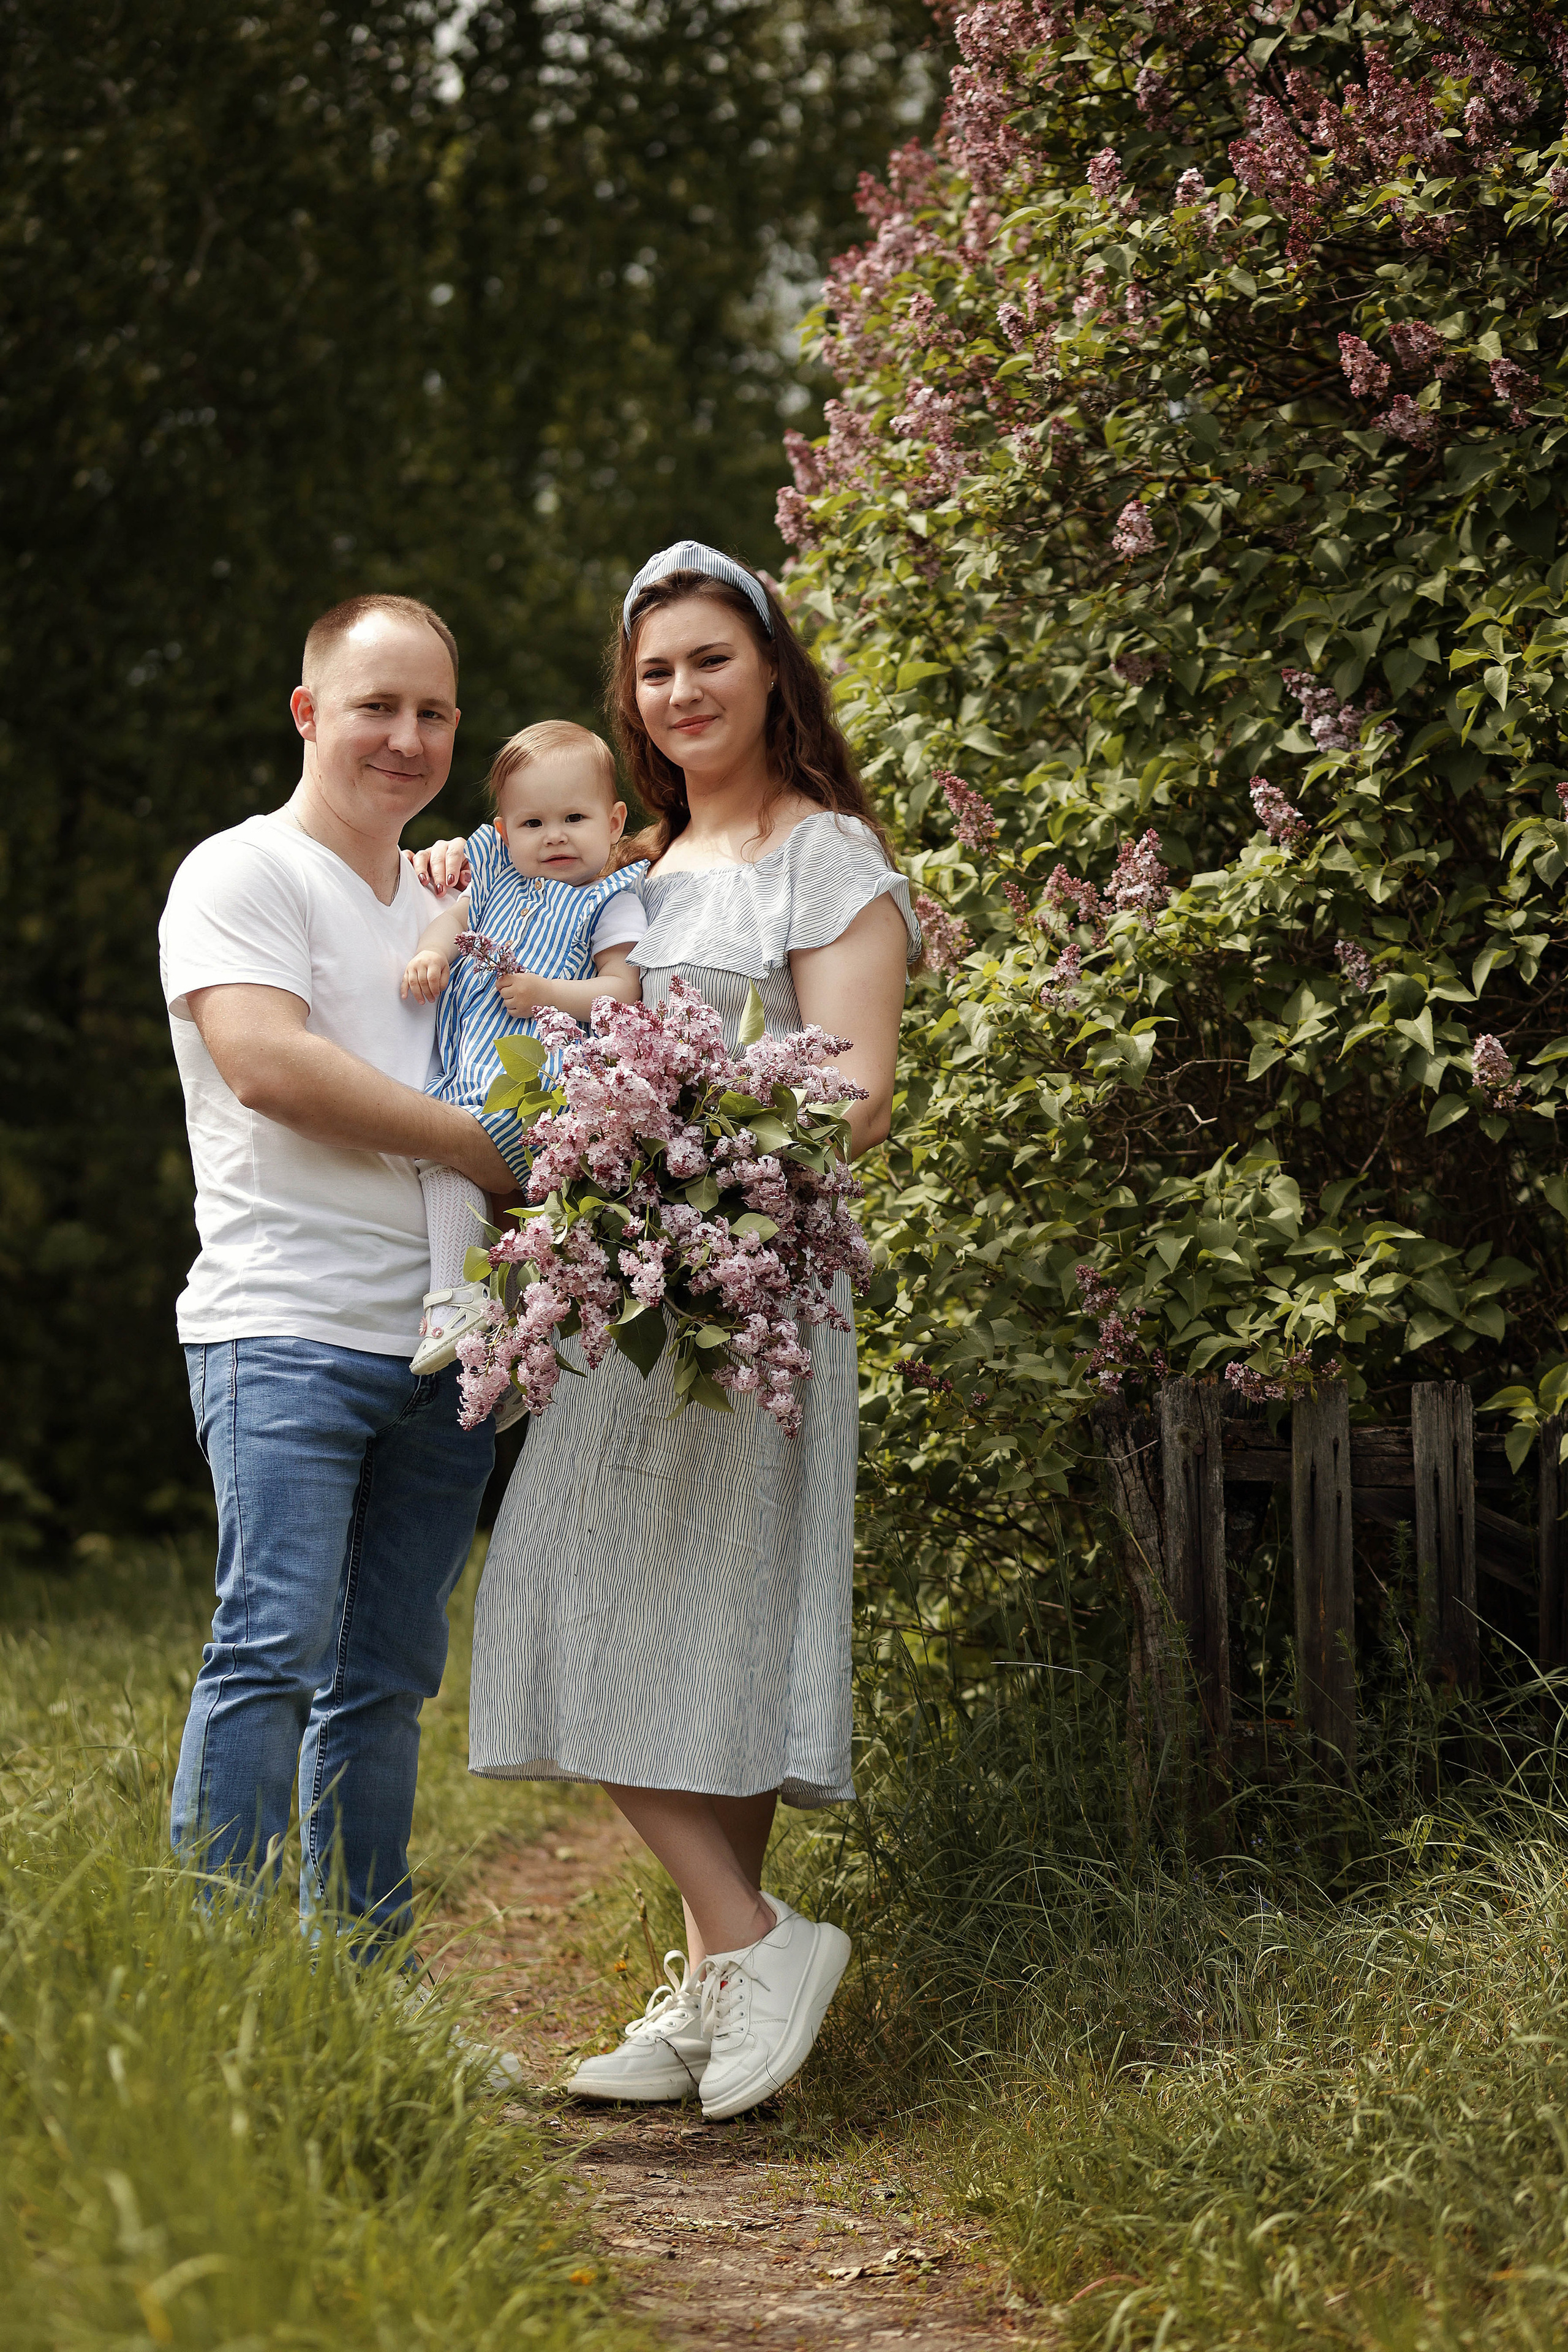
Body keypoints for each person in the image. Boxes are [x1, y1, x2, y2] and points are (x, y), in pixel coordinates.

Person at [415, 540, 919, 2117]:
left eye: (709, 657)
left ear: (770, 668)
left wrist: (684, 1159)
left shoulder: (819, 857)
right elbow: (507, 935)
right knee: (619, 1604)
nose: (680, 689)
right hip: (609, 1280)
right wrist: (451, 866)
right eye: (653, 670)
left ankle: (751, 1941)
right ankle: (722, 1969)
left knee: (655, 1602)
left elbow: (853, 1095)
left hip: (742, 1282)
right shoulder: (625, 862)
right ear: (627, 702)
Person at [158, 592, 514, 1942]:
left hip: (442, 1349)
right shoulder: (241, 872)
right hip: (287, 1330)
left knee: (383, 1679)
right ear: (309, 713)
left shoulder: (442, 899)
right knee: (272, 1651)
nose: (405, 737)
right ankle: (224, 1972)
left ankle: (366, 1978)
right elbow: (267, 1065)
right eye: (376, 706)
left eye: (432, 713)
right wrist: (494, 1152)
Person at [399, 721, 649, 1378]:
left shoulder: (610, 899)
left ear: (615, 820)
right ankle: (506, 1343)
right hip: (474, 1066)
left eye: (574, 817)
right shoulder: (493, 884)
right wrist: (432, 952)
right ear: (504, 833)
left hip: (538, 1081)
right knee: (511, 1214)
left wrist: (549, 992)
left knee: (439, 1156)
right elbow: (452, 919)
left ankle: (458, 1300)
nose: (555, 835)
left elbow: (622, 991)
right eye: (533, 823)